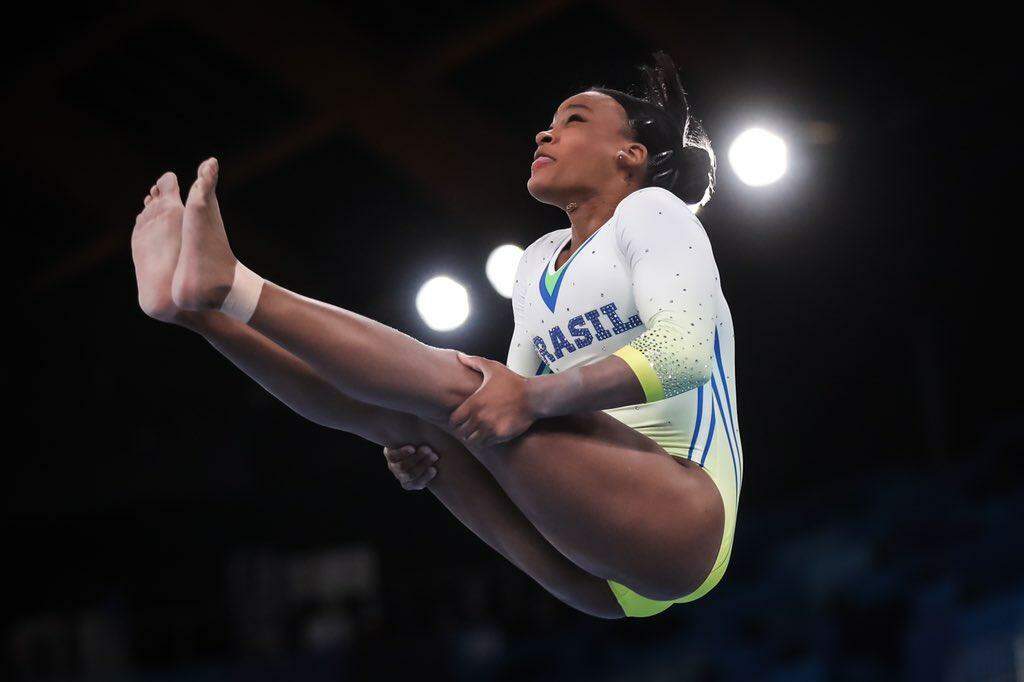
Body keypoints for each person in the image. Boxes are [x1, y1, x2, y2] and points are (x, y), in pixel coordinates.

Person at [130, 51, 742, 619]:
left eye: (573, 120)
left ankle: (231, 286)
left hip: (683, 519)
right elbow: (509, 404)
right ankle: (196, 312)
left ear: (628, 156)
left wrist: (521, 400)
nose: (544, 133)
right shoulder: (538, 263)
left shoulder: (654, 213)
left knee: (467, 387)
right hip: (593, 574)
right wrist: (455, 442)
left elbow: (681, 352)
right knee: (414, 417)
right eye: (550, 122)